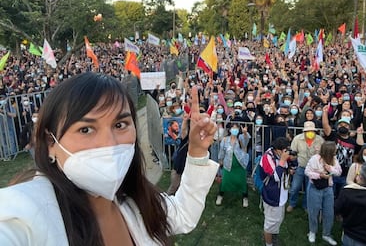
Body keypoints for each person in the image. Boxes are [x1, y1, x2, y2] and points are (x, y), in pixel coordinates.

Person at [0, 72, 219, 246]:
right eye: (86, 129)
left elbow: (182, 214)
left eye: (120, 125)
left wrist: (197, 151)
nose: (110, 142)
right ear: (50, 143)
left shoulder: (134, 200)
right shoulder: (26, 212)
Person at [305, 141, 341, 245]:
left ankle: (326, 234)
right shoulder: (315, 159)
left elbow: (339, 172)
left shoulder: (334, 160)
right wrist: (320, 175)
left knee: (329, 212)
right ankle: (312, 231)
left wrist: (330, 169)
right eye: (334, 150)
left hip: (328, 188)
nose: (335, 152)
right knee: (313, 211)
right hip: (314, 188)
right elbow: (307, 172)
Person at [260, 137, 293, 246]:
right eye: (285, 150)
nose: (286, 153)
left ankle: (273, 237)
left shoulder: (279, 155)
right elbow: (275, 177)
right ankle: (268, 243)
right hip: (272, 195)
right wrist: (283, 161)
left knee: (278, 219)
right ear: (278, 150)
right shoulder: (267, 157)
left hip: (281, 194)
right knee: (270, 223)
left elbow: (285, 167)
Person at [286, 121, 324, 213]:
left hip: (313, 169)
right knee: (295, 187)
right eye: (308, 131)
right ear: (304, 132)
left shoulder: (320, 140)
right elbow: (293, 153)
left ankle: (306, 205)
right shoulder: (297, 139)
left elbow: (323, 154)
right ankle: (292, 203)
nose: (310, 133)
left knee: (309, 188)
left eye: (312, 131)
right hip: (301, 166)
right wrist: (292, 164)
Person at [216, 123, 250, 207]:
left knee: (242, 181)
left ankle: (245, 197)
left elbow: (246, 141)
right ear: (230, 130)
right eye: (233, 128)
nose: (235, 130)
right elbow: (222, 151)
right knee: (225, 181)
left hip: (240, 164)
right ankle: (220, 195)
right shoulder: (225, 140)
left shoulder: (241, 138)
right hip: (228, 164)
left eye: (236, 128)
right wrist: (220, 160)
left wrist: (245, 133)